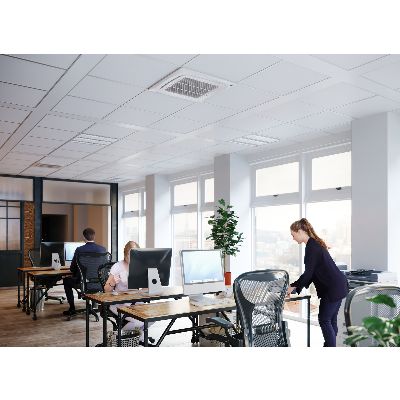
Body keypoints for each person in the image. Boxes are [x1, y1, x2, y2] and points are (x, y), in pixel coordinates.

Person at [288, 218, 348, 347]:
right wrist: (294, 286)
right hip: (339, 286)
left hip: (332, 288)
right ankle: (331, 346)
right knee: (331, 320)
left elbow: (309, 273)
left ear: (300, 231)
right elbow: (312, 273)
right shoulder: (314, 244)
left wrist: (293, 287)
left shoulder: (312, 247)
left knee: (324, 320)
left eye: (293, 235)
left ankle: (330, 347)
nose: (293, 238)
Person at [104, 241, 146, 337]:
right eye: (131, 255)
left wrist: (149, 283)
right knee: (139, 321)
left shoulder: (140, 266)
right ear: (125, 255)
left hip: (135, 301)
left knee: (152, 317)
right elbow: (106, 290)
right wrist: (112, 282)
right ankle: (118, 338)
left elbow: (144, 290)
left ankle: (135, 338)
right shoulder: (117, 267)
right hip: (119, 303)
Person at [62, 227, 106, 316]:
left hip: (83, 283)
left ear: (84, 237)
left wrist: (75, 274)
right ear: (94, 236)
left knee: (66, 281)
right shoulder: (102, 249)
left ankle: (72, 308)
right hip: (99, 283)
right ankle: (94, 305)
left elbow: (72, 268)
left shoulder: (79, 250)